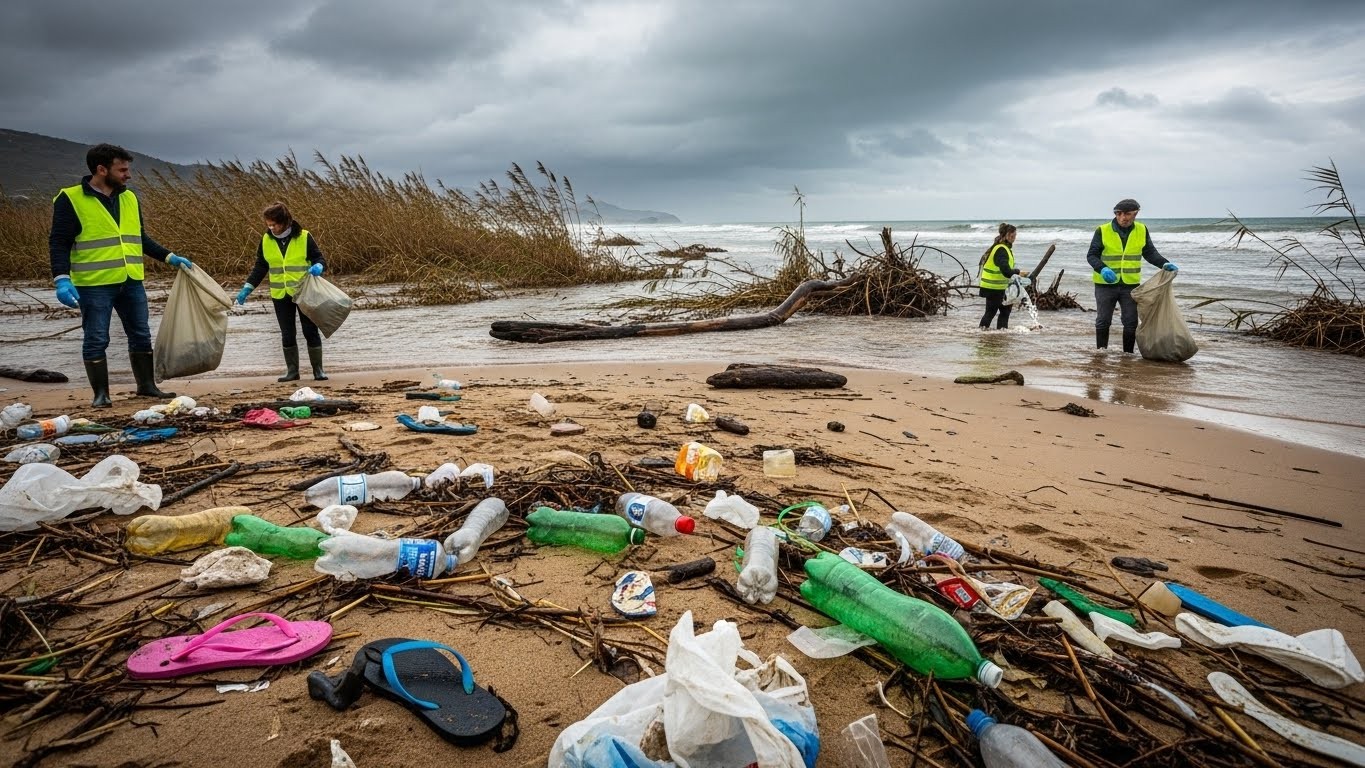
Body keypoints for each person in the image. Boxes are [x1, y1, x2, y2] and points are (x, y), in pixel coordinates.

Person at [49, 143, 194, 408]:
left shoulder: (129, 198)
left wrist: (169, 257)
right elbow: (59, 241)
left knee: (140, 334)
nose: (128, 175)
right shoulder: (70, 198)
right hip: (94, 284)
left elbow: (139, 237)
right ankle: (101, 395)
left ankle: (147, 387)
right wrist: (61, 278)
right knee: (96, 337)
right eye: (123, 169)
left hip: (130, 280)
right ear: (102, 170)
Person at [234, 201, 329, 381]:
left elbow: (320, 258)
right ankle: (292, 372)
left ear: (285, 221)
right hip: (280, 294)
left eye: (274, 224)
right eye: (268, 225)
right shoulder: (266, 240)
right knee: (287, 333)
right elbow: (260, 266)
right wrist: (248, 287)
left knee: (310, 331)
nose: (271, 228)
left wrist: (318, 266)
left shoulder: (304, 237)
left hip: (304, 291)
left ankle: (318, 371)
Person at [1086, 198, 1177, 352]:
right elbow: (1092, 255)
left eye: (1127, 214)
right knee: (1103, 321)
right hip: (1105, 285)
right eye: (1119, 214)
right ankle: (1100, 355)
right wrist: (1102, 269)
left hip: (1130, 285)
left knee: (1130, 322)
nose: (1123, 217)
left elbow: (1149, 253)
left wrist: (1164, 264)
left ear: (1135, 214)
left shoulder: (1141, 230)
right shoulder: (1102, 230)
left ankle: (1127, 355)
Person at [978, 223, 1030, 330]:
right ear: (1006, 235)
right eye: (1012, 236)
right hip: (994, 288)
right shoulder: (1001, 250)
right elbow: (1006, 271)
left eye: (1015, 236)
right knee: (991, 313)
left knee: (1004, 312)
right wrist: (1018, 272)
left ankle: (1000, 336)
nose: (1014, 239)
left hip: (1001, 288)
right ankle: (982, 335)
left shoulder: (1003, 248)